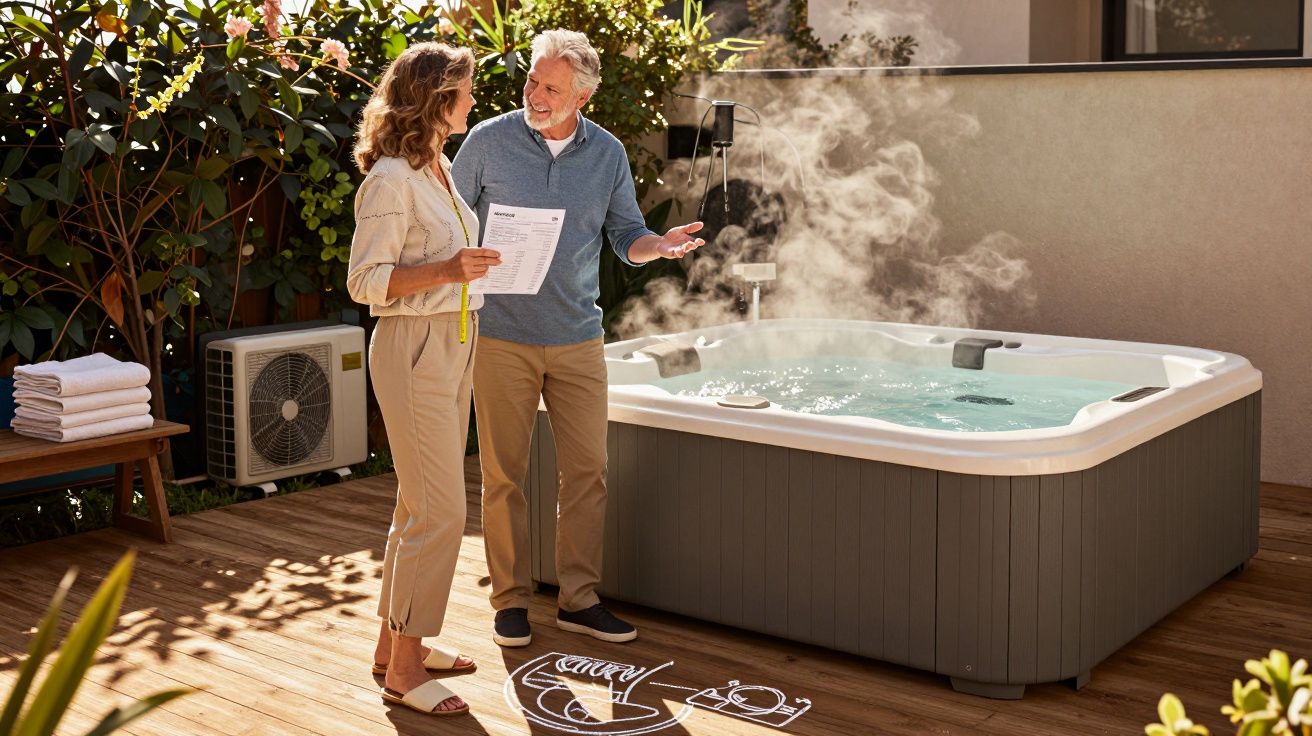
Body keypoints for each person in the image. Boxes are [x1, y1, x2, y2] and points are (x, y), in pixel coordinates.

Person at [452, 29, 706, 648]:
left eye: (551, 87)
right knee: (503, 475)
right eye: (532, 81)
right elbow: (444, 222)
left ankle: (578, 599)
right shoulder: (486, 142)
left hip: (577, 337)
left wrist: (660, 246)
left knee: (588, 472)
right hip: (501, 337)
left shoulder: (608, 155)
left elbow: (626, 235)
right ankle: (510, 600)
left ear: (582, 96)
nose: (535, 94)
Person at [347, 41, 501, 717]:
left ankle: (393, 645)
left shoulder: (434, 166)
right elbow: (365, 283)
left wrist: (471, 268)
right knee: (441, 511)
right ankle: (406, 673)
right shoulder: (389, 180)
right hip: (414, 350)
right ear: (438, 99)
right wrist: (448, 272)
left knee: (417, 506)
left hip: (453, 344)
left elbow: (448, 260)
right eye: (466, 91)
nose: (474, 101)